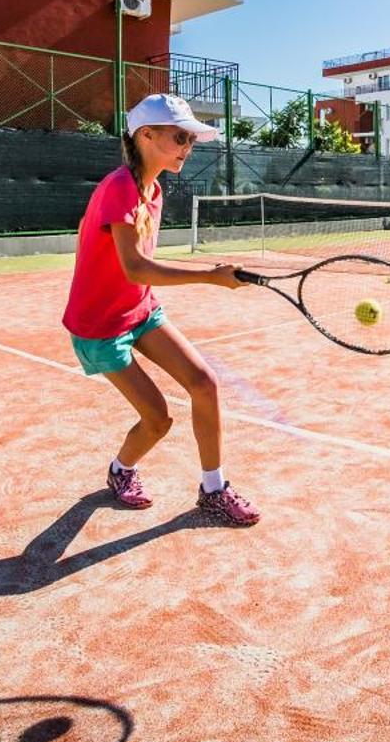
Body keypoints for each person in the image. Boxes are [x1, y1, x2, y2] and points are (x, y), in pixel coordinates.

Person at [65, 93, 259, 527]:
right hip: (99, 326)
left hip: (139, 309)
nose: (188, 147)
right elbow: (135, 267)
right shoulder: (119, 186)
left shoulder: (151, 189)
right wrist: (212, 276)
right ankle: (121, 471)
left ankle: (213, 491)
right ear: (146, 135)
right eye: (180, 136)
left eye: (190, 139)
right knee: (157, 420)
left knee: (204, 384)